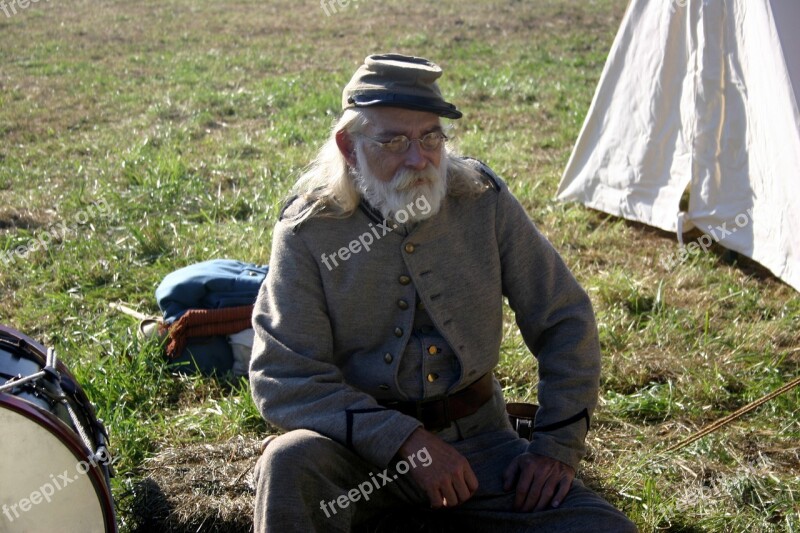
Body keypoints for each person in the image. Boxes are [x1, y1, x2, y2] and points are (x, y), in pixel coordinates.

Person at [249, 53, 637, 532]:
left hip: (482, 449)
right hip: (356, 457)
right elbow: (283, 376)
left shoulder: (482, 201)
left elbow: (565, 318)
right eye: (394, 140)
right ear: (349, 146)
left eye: (431, 136)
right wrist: (402, 440)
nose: (419, 157)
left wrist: (556, 450)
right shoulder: (310, 231)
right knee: (289, 463)